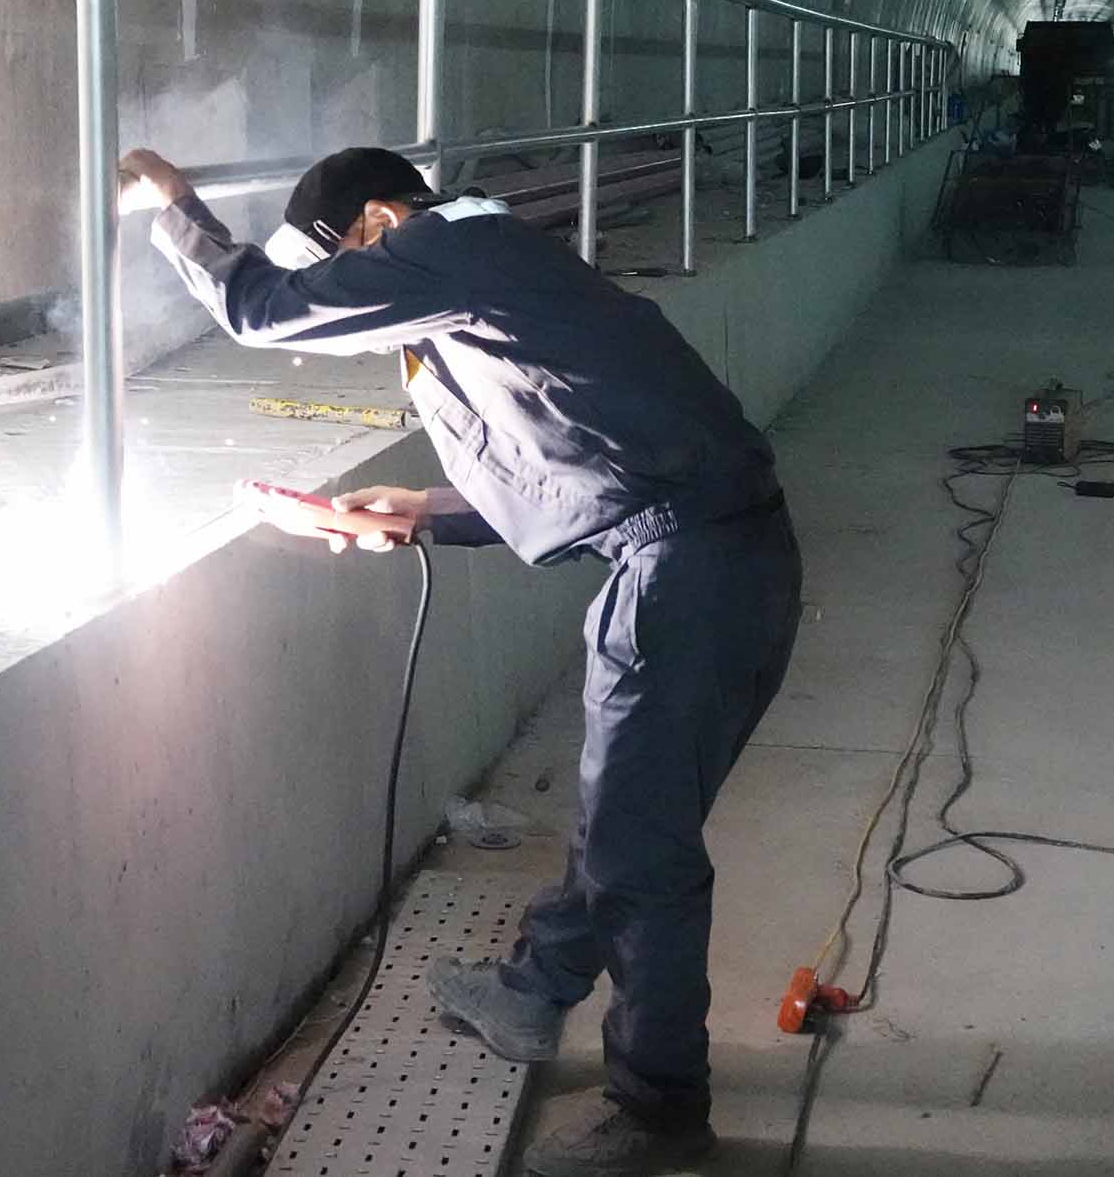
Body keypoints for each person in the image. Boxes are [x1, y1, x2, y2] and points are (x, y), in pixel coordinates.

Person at [119, 145, 803, 1177]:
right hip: (715, 555)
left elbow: (259, 309)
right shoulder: (492, 270)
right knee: (627, 812)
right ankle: (534, 990)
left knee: (640, 850)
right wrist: (421, 513)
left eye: (346, 264)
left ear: (382, 220)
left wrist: (172, 203)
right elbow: (574, 455)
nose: (352, 296)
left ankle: (660, 1111)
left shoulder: (452, 248)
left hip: (691, 573)